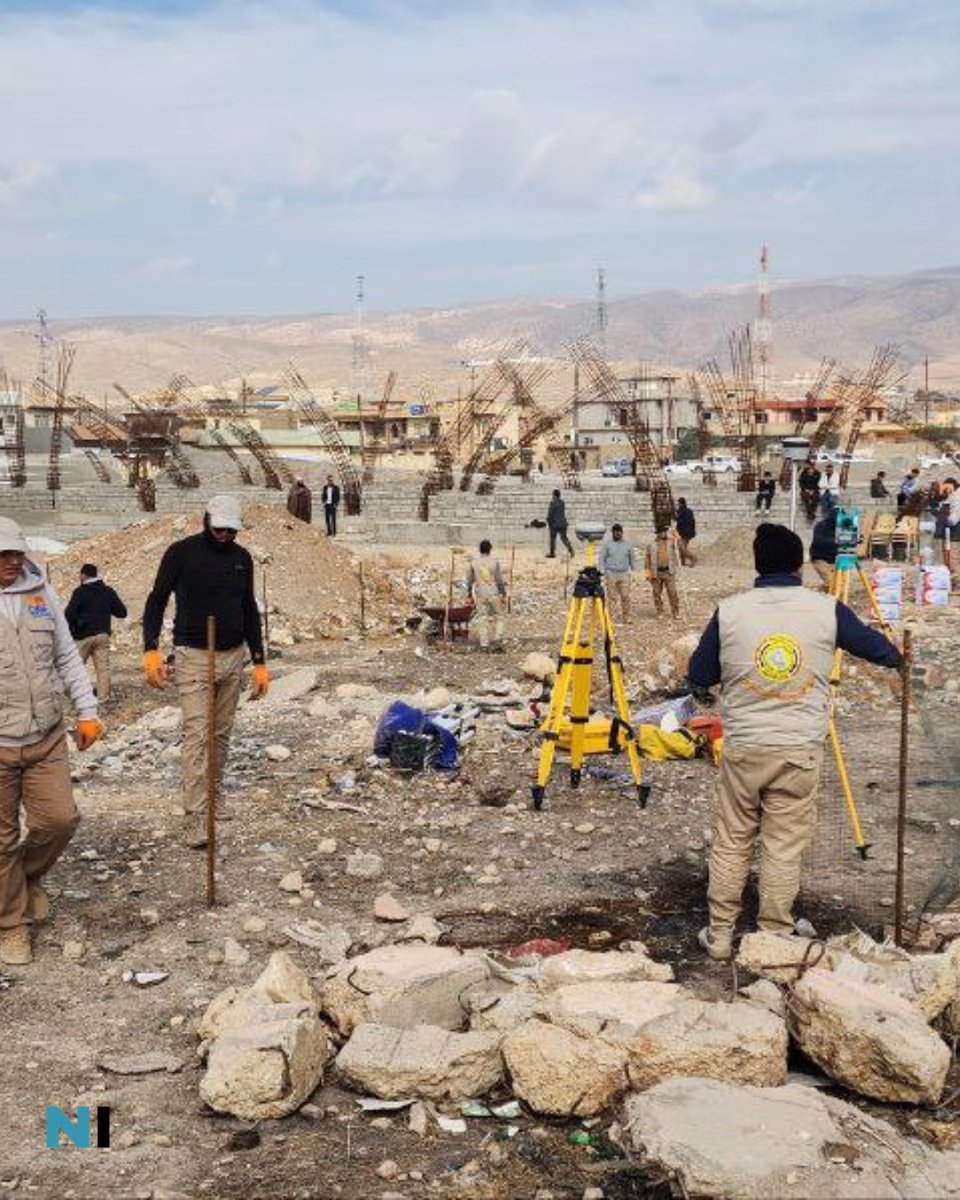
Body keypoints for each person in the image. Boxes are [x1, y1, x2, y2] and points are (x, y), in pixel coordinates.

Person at [688, 523, 902, 961]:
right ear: (798, 564)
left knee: (732, 840)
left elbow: (699, 674)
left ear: (758, 564)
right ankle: (773, 938)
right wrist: (900, 652)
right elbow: (879, 650)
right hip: (799, 750)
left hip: (745, 748)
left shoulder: (730, 610)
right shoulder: (826, 609)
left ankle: (721, 934)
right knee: (783, 845)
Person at [0, 518, 102, 966]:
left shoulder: (42, 594)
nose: (11, 562)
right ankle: (12, 926)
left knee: (60, 819)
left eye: (15, 554)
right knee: (0, 840)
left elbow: (65, 655)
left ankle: (24, 878)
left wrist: (88, 711)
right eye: (2, 555)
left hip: (45, 735)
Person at [142, 495, 269, 849]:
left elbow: (247, 609)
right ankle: (195, 817)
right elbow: (156, 599)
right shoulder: (181, 553)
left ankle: (214, 796)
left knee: (221, 733)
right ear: (206, 521)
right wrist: (150, 648)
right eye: (220, 529)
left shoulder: (242, 559)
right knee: (198, 734)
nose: (226, 535)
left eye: (231, 530)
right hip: (193, 655)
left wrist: (259, 661)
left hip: (232, 656)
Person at [64, 564, 128, 703]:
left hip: (83, 636)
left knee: (76, 668)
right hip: (102, 635)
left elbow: (68, 614)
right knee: (103, 669)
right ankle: (103, 698)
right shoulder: (108, 591)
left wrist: (74, 628)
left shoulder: (79, 592)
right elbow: (122, 612)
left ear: (83, 575)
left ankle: (77, 697)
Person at [465, 540, 507, 651]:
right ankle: (498, 639)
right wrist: (503, 593)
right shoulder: (495, 562)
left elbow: (469, 581)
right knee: (500, 616)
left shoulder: (474, 563)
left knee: (482, 617)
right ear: (490, 549)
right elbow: (499, 580)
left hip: (480, 594)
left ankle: (484, 644)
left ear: (480, 549)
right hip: (494, 593)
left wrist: (469, 594)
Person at [600, 523, 636, 624]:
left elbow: (632, 558)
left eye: (619, 532)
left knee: (625, 596)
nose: (617, 534)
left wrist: (633, 571)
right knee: (612, 597)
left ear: (622, 533)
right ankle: (612, 618)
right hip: (611, 574)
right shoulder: (607, 545)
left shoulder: (627, 545)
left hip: (624, 574)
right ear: (612, 533)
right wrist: (603, 570)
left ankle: (627, 617)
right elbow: (602, 558)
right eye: (615, 532)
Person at [644, 526, 680, 618]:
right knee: (656, 593)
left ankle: (675, 611)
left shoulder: (671, 542)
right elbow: (647, 560)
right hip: (656, 573)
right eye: (661, 532)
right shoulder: (651, 545)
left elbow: (679, 542)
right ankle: (660, 611)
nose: (663, 534)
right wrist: (648, 573)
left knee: (672, 592)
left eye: (665, 532)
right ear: (658, 534)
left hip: (669, 572)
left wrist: (675, 533)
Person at [809, 508, 838, 592]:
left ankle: (820, 594)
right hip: (819, 558)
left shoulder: (841, 527)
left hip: (832, 558)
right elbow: (819, 541)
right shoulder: (821, 526)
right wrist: (837, 541)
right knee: (831, 582)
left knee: (838, 583)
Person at [546, 490, 574, 558]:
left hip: (555, 524)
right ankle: (571, 550)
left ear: (555, 495)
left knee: (553, 539)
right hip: (563, 523)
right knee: (564, 538)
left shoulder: (552, 503)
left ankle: (552, 553)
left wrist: (548, 520)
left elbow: (550, 514)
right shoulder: (562, 503)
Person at [675, 498, 697, 566]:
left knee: (681, 548)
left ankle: (692, 557)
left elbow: (679, 522)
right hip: (689, 532)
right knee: (683, 547)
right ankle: (683, 562)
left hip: (683, 532)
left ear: (680, 504)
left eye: (678, 503)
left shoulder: (680, 512)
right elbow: (693, 522)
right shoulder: (689, 511)